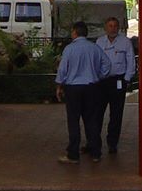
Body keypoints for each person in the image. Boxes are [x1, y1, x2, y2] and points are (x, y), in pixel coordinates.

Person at [55, 20, 110, 163]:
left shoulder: (69, 49)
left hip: (73, 88)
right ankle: (95, 152)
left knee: (73, 120)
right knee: (91, 119)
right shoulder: (94, 48)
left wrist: (59, 85)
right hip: (92, 86)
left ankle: (73, 153)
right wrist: (99, 75)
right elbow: (107, 64)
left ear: (74, 32)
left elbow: (62, 69)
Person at [95, 16, 136, 155]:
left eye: (115, 26)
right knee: (97, 113)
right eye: (110, 26)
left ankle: (112, 143)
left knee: (116, 114)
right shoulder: (100, 42)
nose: (112, 28)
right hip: (102, 81)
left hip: (118, 81)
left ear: (118, 28)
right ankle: (94, 142)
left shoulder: (125, 42)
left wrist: (127, 79)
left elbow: (131, 61)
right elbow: (95, 61)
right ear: (105, 28)